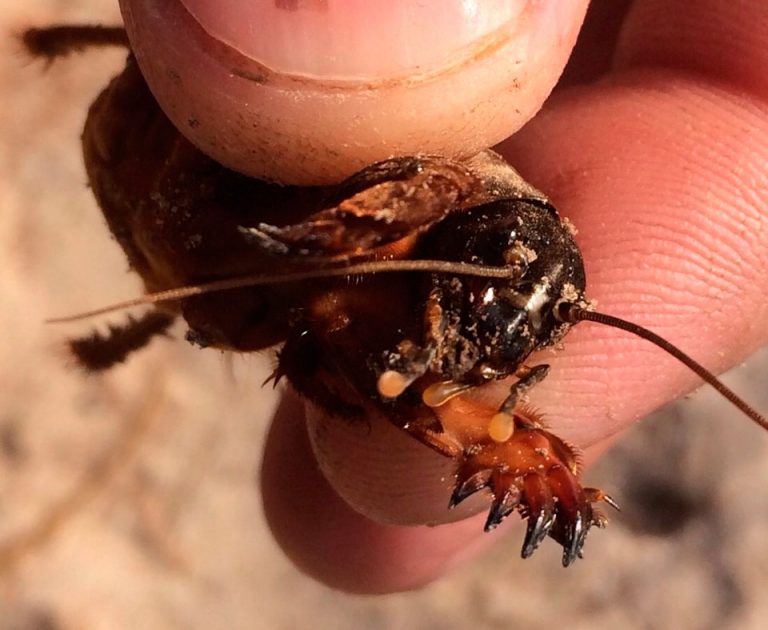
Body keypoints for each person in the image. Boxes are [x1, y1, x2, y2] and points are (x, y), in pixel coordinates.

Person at [119, 0, 768, 592]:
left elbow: (407, 386)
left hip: (200, 251)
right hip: (186, 134)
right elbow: (432, 185)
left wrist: (534, 462)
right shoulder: (440, 200)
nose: (488, 343)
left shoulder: (382, 336)